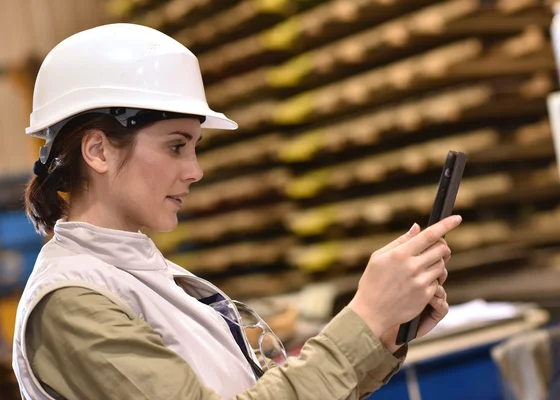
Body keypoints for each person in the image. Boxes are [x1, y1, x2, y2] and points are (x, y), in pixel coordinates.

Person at [11, 23, 462, 400]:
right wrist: (364, 316)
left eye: (195, 147)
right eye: (176, 146)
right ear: (98, 151)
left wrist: (383, 330)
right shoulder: (71, 303)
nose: (195, 171)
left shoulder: (141, 277)